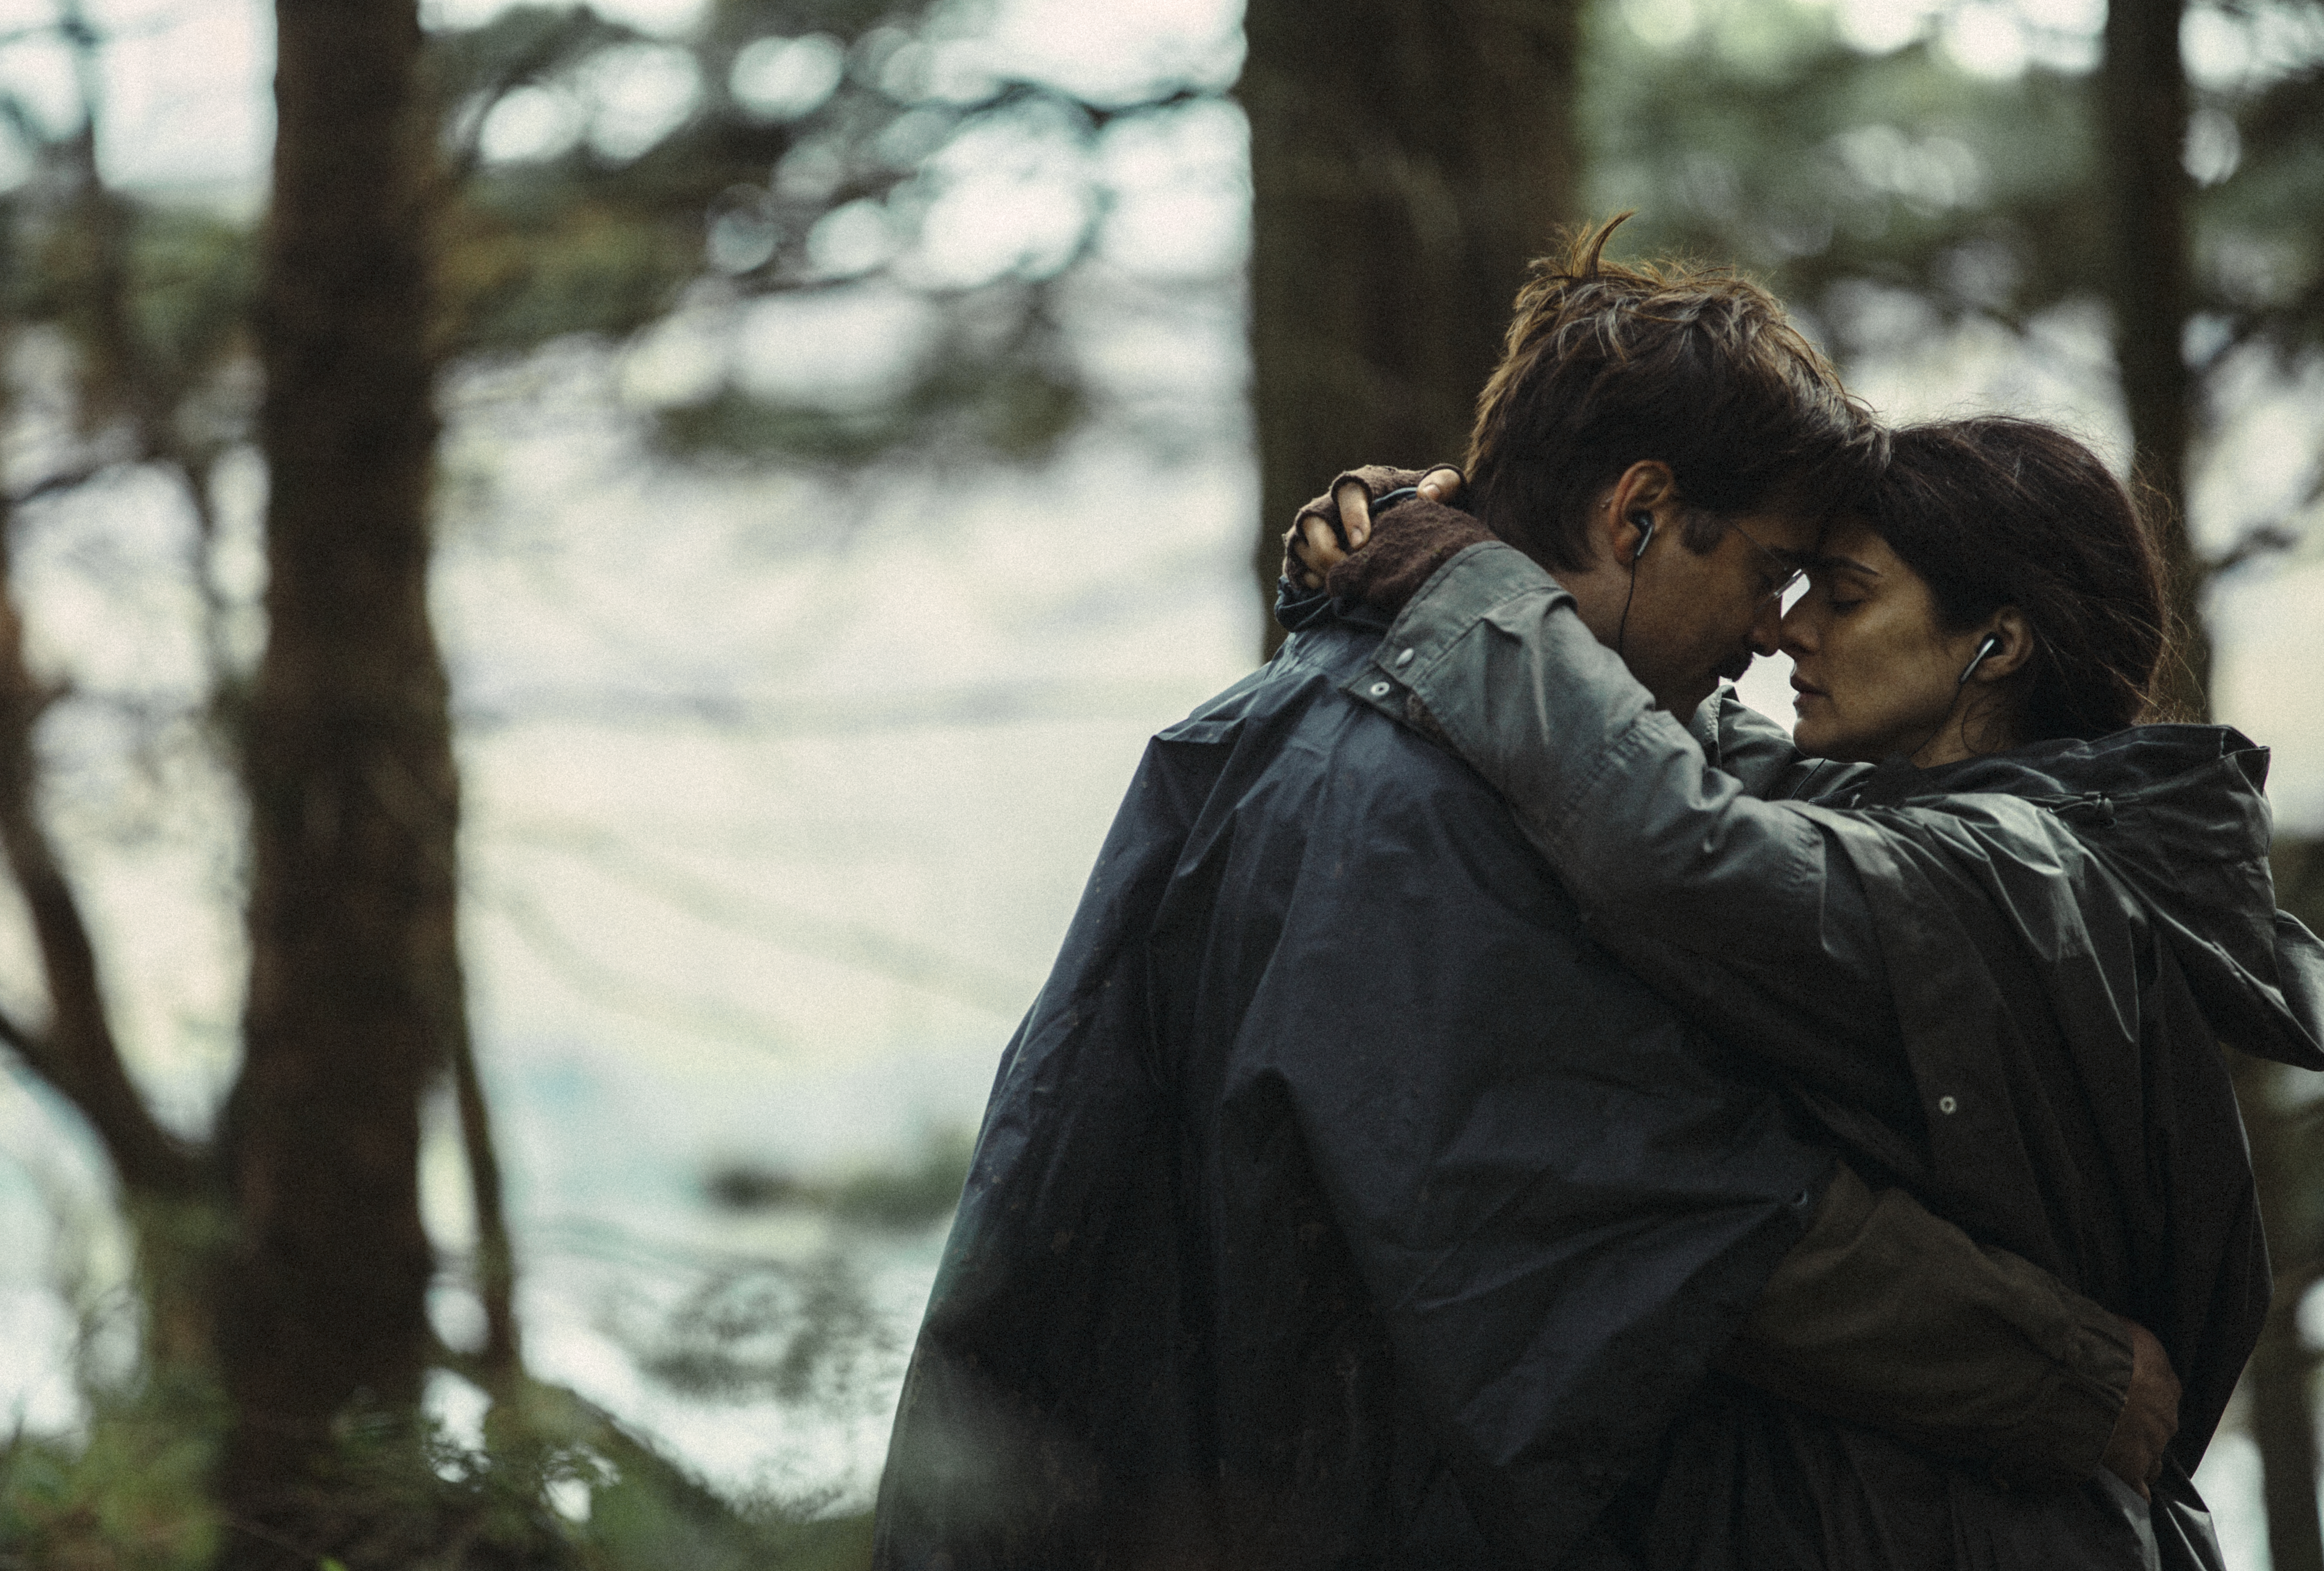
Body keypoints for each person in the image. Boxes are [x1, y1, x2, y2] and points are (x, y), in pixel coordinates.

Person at [871, 234, 2178, 1571]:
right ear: (1639, 516)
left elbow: (1702, 820)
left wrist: (1440, 568)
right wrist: (2076, 1382)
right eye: (1773, 570)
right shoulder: (1418, 800)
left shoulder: (1367, 722)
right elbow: (1663, 1204)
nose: (1768, 632)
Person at [1287, 413, 2324, 1566]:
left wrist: (1465, 585)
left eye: (1844, 595)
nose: (1785, 632)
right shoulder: (1935, 822)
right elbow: (1688, 749)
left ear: (2000, 642)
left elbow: (1675, 844)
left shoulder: (2018, 874)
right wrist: (1476, 546)